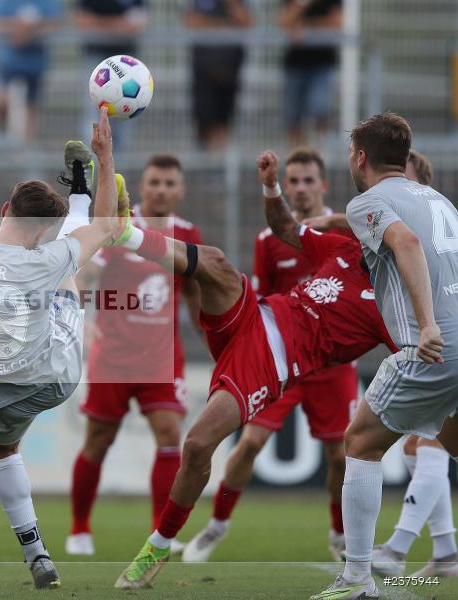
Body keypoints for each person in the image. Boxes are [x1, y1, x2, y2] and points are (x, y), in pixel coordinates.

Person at [111, 148, 397, 589]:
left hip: (268, 364)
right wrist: (271, 184)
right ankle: (124, 232)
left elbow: (417, 364)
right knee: (215, 261)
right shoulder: (343, 250)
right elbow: (284, 226)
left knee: (197, 445)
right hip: (255, 314)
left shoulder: (390, 309)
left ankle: (158, 545)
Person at [0, 108, 120, 589]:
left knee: (2, 453)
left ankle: (36, 553)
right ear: (41, 233)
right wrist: (105, 156)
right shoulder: (49, 255)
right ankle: (81, 189)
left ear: (6, 209)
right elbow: (106, 227)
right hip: (49, 377)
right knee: (70, 273)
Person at [183, 147, 357, 563]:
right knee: (249, 444)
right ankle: (217, 526)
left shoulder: (345, 231)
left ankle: (338, 534)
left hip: (332, 366)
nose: (299, 188)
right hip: (287, 360)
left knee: (341, 455)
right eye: (292, 181)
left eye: (306, 180)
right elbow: (263, 300)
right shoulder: (270, 238)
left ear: (323, 185)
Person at [313, 113, 458, 600]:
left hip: (435, 348)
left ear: (359, 157)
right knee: (449, 444)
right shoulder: (437, 199)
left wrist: (429, 325)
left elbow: (407, 243)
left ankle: (357, 579)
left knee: (360, 441)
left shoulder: (368, 201)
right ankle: (440, 551)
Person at [66, 154, 204, 556]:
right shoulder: (120, 228)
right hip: (113, 355)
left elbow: (196, 292)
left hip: (162, 357)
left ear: (180, 190)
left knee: (169, 434)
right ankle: (79, 529)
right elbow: (86, 274)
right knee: (98, 440)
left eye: (169, 183)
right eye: (155, 182)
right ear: (142, 187)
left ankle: (161, 534)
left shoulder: (188, 233)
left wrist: (210, 337)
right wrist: (81, 311)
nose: (162, 190)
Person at [0, 0, 62, 141]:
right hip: (7, 64)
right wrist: (16, 28)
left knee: (30, 109)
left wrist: (30, 31)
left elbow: (54, 23)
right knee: (1, 103)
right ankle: (11, 140)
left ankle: (24, 152)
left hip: (34, 65)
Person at [76, 0, 148, 152]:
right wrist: (120, 24)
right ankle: (92, 170)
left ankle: (117, 171)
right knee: (92, 119)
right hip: (96, 62)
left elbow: (137, 25)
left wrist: (100, 23)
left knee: (124, 119)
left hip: (127, 66)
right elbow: (84, 21)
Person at [186, 0, 253, 152]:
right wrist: (228, 26)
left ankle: (218, 166)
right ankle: (207, 163)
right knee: (204, 122)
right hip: (203, 69)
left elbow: (246, 23)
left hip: (230, 69)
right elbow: (193, 23)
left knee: (223, 123)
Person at [279, 0, 343, 146]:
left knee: (320, 109)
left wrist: (304, 27)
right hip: (295, 64)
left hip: (322, 64)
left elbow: (336, 24)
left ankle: (319, 150)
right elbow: (284, 22)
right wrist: (302, 4)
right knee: (293, 116)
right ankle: (297, 154)